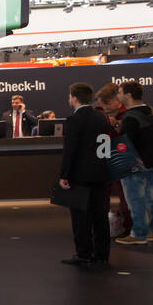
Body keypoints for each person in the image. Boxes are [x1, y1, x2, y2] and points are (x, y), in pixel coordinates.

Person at [58, 82, 112, 269]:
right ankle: (102, 254)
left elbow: (70, 150)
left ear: (74, 97)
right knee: (100, 215)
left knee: (81, 217)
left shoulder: (74, 120)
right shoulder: (101, 117)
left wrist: (64, 174)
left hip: (80, 175)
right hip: (100, 173)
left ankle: (83, 253)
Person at [114, 80, 153, 246]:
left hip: (136, 164)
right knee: (152, 199)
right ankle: (152, 232)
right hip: (152, 162)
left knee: (135, 199)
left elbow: (125, 143)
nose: (118, 95)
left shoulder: (130, 117)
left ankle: (139, 233)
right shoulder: (151, 111)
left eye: (120, 92)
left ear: (128, 95)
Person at [95, 83, 132, 237]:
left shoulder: (128, 114)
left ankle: (130, 228)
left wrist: (115, 124)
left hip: (123, 157)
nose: (105, 107)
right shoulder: (100, 113)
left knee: (127, 196)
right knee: (103, 196)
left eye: (107, 104)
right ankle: (102, 227)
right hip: (104, 157)